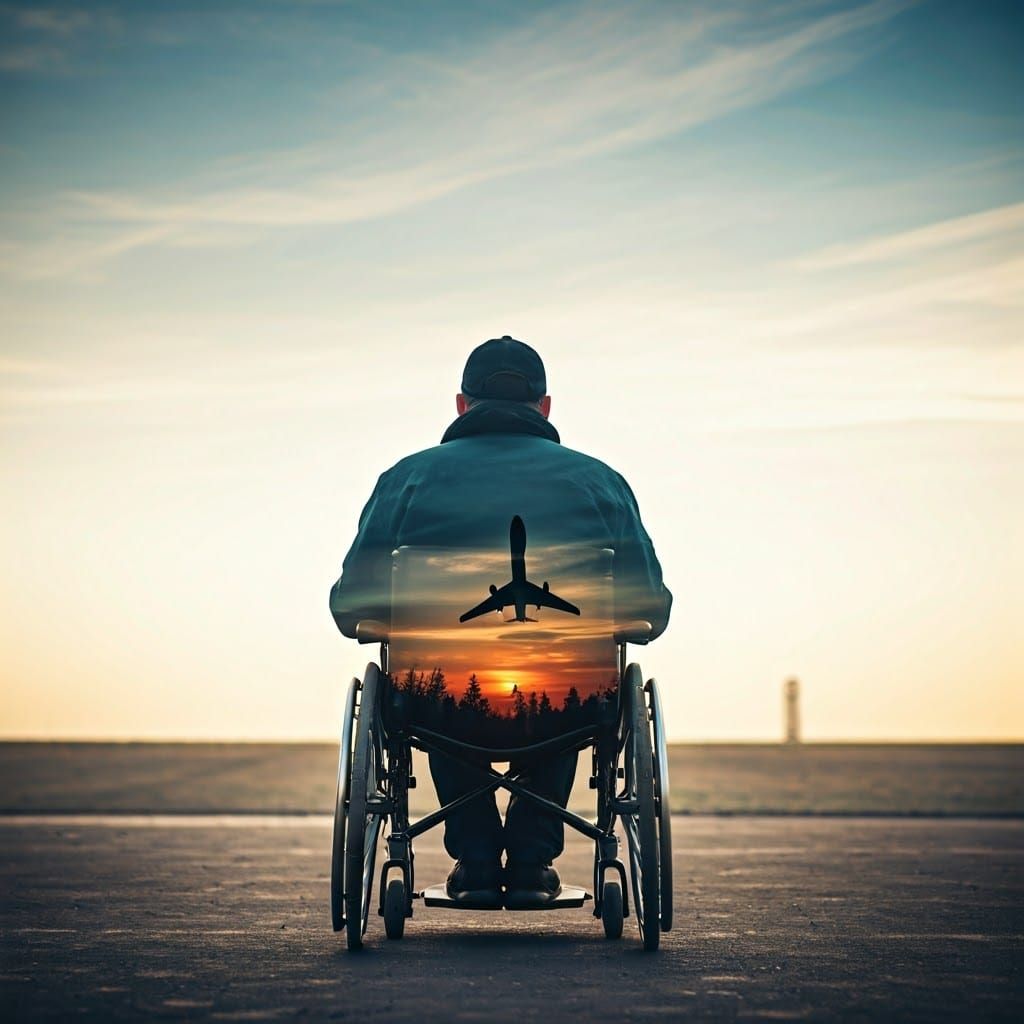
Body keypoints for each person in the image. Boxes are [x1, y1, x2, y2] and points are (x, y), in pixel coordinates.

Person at [330, 336, 671, 906]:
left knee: (431, 685)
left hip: (438, 705)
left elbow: (350, 608)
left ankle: (478, 860)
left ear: (462, 405)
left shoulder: (405, 480)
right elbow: (650, 611)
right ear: (545, 407)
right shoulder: (600, 482)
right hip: (569, 706)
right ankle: (534, 861)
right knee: (576, 689)